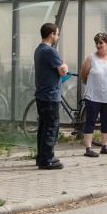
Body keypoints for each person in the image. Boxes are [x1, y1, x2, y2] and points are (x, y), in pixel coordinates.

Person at [79, 31, 107, 158]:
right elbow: (83, 76)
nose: (98, 45)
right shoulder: (90, 58)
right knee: (90, 121)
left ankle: (105, 146)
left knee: (106, 121)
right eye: (96, 43)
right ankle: (88, 148)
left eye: (101, 43)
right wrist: (94, 85)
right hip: (93, 96)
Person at [33, 23, 69, 170]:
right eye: (57, 34)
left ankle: (41, 156)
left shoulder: (38, 49)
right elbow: (62, 71)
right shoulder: (50, 51)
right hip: (51, 96)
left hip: (41, 95)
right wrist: (65, 67)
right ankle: (47, 159)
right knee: (51, 127)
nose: (58, 37)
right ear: (51, 34)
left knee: (43, 127)